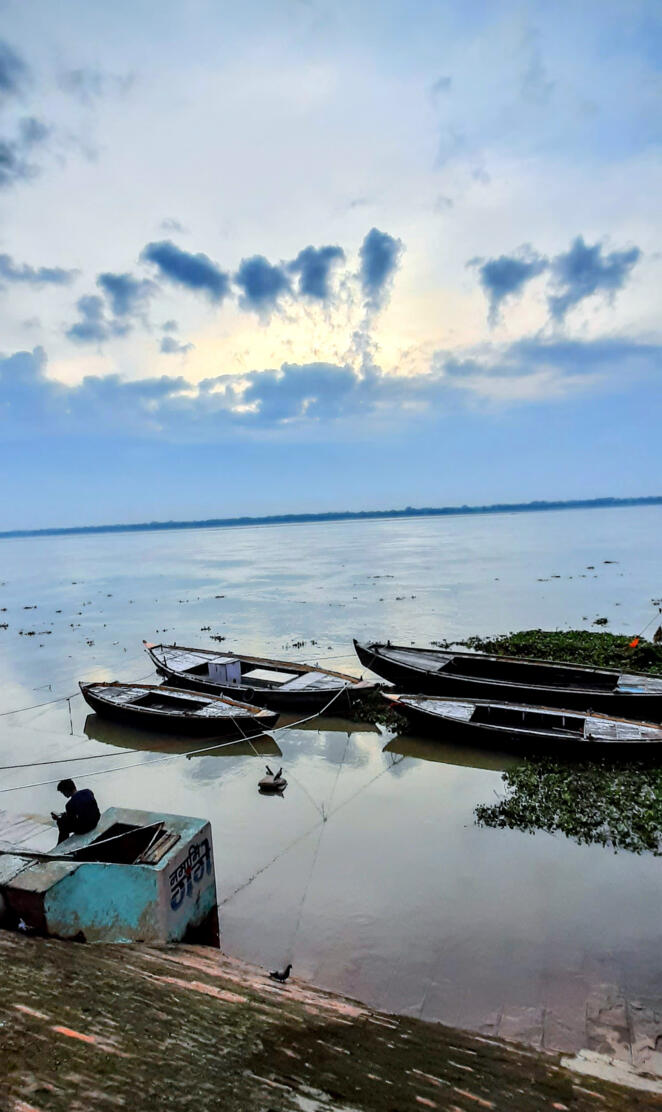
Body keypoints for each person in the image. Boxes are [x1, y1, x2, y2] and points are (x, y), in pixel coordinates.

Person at [51, 779, 100, 844]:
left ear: (66, 790)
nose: (63, 794)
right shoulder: (88, 791)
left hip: (86, 828)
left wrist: (59, 818)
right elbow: (84, 807)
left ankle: (61, 844)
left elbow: (71, 820)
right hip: (96, 821)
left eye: (63, 792)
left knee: (61, 823)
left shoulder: (69, 804)